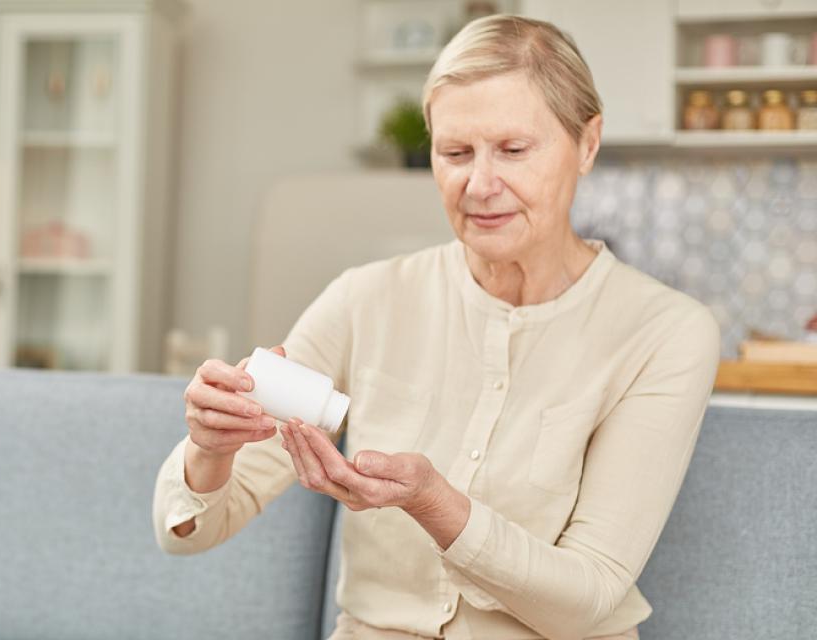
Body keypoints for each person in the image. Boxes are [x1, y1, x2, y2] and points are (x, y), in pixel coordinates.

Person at [153, 14, 720, 640]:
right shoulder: (363, 299)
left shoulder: (666, 333)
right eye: (454, 153)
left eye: (513, 149)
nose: (479, 185)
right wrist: (210, 450)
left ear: (588, 144)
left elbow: (586, 596)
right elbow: (188, 532)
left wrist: (435, 505)